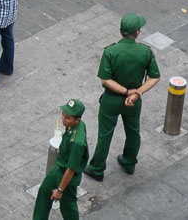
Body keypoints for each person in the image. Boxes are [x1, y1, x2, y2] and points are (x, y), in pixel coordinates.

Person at [87, 13, 158, 179]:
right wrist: (136, 93)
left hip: (111, 100)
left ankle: (97, 168)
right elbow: (154, 77)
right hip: (133, 101)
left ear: (121, 31)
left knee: (105, 135)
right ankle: (129, 162)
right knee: (133, 132)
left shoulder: (110, 51)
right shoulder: (145, 52)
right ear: (137, 32)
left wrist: (126, 92)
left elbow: (105, 80)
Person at [35, 99, 90, 220]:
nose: (63, 119)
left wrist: (60, 190)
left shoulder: (77, 142)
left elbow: (71, 169)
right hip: (58, 168)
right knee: (44, 192)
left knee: (68, 208)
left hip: (66, 177)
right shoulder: (75, 125)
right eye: (63, 115)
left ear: (77, 119)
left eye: (68, 118)